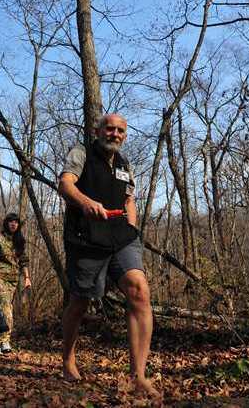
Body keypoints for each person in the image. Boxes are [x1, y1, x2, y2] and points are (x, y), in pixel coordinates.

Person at [58, 113, 159, 398]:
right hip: (86, 238)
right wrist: (86, 203)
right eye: (110, 128)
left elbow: (129, 200)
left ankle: (138, 376)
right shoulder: (82, 153)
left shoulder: (125, 165)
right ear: (98, 129)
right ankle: (67, 359)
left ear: (125, 135)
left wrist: (131, 228)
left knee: (140, 291)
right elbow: (65, 184)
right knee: (79, 301)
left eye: (120, 131)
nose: (114, 134)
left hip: (121, 238)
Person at [0, 212, 31, 354]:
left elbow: (24, 261)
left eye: (16, 222)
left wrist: (27, 278)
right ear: (6, 223)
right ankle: (5, 341)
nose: (13, 224)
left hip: (14, 281)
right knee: (7, 308)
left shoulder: (19, 241)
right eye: (11, 221)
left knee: (3, 310)